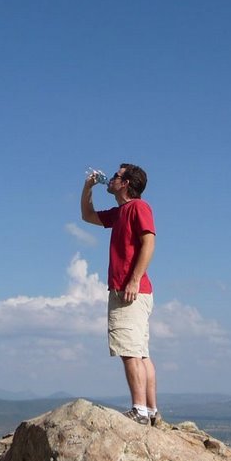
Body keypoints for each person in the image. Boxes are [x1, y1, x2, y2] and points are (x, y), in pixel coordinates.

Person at [81, 163, 159, 426]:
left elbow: (149, 241)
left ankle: (139, 410)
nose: (111, 179)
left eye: (115, 176)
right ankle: (150, 411)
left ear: (125, 183)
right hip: (131, 289)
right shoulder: (120, 212)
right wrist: (87, 187)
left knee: (129, 350)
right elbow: (87, 215)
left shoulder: (138, 207)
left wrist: (134, 280)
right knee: (140, 352)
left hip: (129, 291)